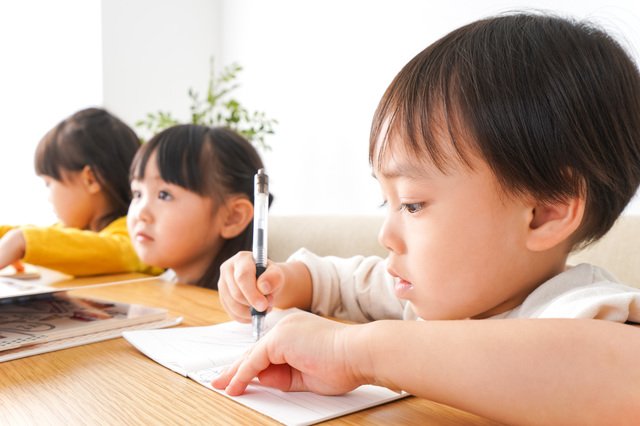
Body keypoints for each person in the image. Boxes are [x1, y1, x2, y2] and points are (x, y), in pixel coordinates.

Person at [212, 12, 640, 423]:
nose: (386, 235)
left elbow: (623, 375)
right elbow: (341, 282)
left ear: (544, 212)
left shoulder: (585, 309)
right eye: (386, 202)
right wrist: (280, 280)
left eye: (413, 204)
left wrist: (356, 351)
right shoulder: (430, 290)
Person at [0, 107, 162, 276]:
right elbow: (49, 236)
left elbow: (116, 250)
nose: (49, 198)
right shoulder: (80, 232)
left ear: (91, 179)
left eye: (49, 184)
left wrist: (23, 241)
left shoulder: (135, 233)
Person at [128, 124, 268, 288]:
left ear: (232, 217)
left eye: (164, 195)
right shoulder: (159, 286)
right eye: (137, 193)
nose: (140, 213)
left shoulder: (256, 307)